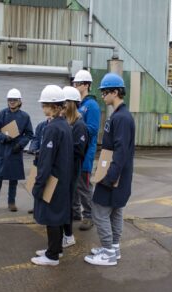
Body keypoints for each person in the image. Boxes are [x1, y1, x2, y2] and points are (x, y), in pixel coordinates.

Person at [84, 73, 135, 266]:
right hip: (120, 174)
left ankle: (108, 253)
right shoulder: (121, 115)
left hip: (115, 174)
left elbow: (120, 150)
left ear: (115, 92)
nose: (103, 96)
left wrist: (109, 176)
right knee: (115, 211)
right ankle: (114, 248)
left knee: (99, 210)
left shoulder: (121, 118)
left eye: (105, 92)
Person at [31, 85, 73, 266]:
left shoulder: (52, 128)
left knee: (52, 217)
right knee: (57, 215)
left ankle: (52, 256)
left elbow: (47, 161)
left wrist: (38, 185)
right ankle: (55, 249)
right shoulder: (64, 125)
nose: (42, 108)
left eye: (44, 105)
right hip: (63, 178)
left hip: (52, 180)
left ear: (53, 106)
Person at [0, 88, 34, 212]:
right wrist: (3, 137)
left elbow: (29, 134)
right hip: (2, 148)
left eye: (14, 100)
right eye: (10, 100)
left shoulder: (25, 116)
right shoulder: (1, 114)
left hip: (15, 150)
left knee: (14, 178)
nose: (12, 102)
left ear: (19, 101)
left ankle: (11, 202)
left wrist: (21, 144)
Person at [72, 69, 101, 231]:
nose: (75, 86)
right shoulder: (79, 105)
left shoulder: (92, 106)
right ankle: (76, 212)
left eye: (77, 83)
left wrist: (75, 128)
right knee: (75, 184)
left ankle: (89, 215)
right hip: (77, 151)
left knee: (84, 185)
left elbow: (92, 129)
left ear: (86, 85)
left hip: (85, 153)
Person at [61, 86, 89, 248]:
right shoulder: (67, 122)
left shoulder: (79, 126)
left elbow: (78, 151)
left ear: (72, 104)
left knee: (69, 203)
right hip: (64, 170)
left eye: (64, 104)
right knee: (64, 203)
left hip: (71, 171)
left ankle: (69, 236)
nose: (62, 107)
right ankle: (66, 234)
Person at [27, 118, 49, 214]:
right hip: (38, 160)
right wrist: (32, 148)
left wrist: (42, 151)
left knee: (48, 184)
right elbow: (36, 138)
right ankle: (37, 206)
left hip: (49, 160)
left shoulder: (59, 126)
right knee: (37, 183)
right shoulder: (41, 125)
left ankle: (45, 207)